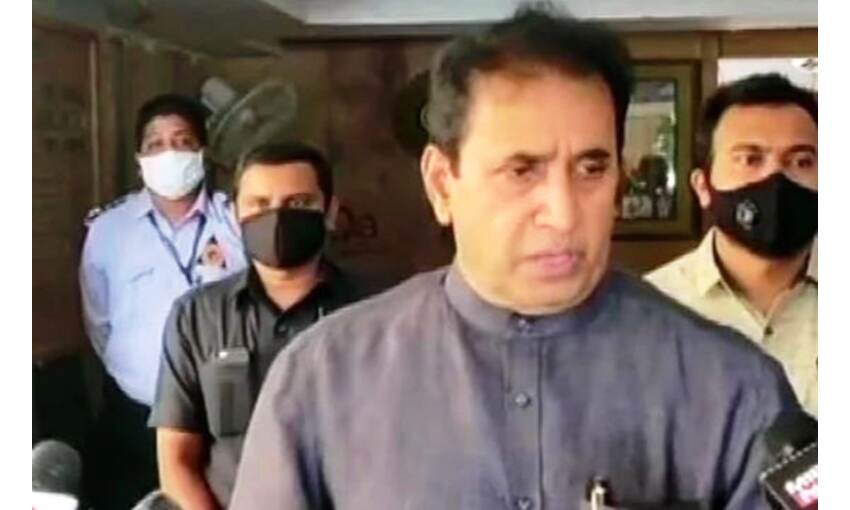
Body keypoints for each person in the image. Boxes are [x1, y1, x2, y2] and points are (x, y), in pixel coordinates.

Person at [230, 8, 799, 509]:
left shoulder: (732, 388)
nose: (564, 213)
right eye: (522, 170)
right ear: (442, 183)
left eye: (591, 168)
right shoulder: (322, 380)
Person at [149, 142, 372, 509]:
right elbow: (176, 459)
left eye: (298, 203)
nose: (278, 217)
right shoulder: (196, 316)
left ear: (330, 211)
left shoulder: (375, 313)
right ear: (235, 212)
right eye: (260, 204)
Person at [79, 94, 247, 509]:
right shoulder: (108, 229)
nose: (169, 153)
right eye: (155, 144)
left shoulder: (237, 220)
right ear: (140, 160)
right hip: (134, 416)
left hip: (222, 419)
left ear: (202, 152)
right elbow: (99, 321)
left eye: (182, 141)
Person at [646, 74, 817, 415]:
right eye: (750, 159)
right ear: (703, 187)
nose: (775, 178)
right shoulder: (650, 310)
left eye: (801, 162)